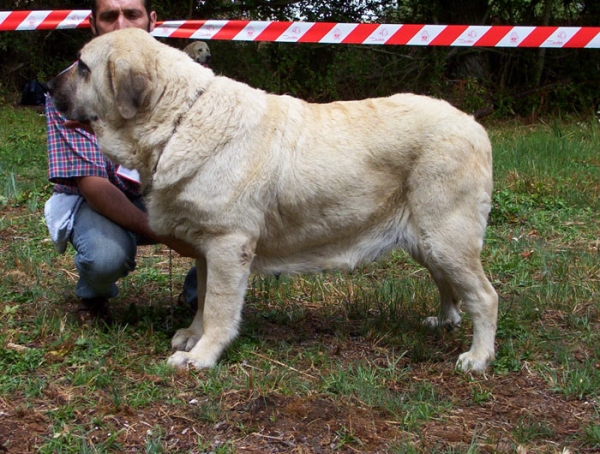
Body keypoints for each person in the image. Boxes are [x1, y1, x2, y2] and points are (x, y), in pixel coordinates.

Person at [44, 0, 197, 323]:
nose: (122, 26)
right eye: (110, 16)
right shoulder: (68, 90)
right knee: (105, 257)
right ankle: (93, 295)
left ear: (152, 21)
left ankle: (201, 299)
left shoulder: (186, 80)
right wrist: (165, 234)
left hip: (166, 192)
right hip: (105, 200)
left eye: (132, 14)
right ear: (93, 25)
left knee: (230, 219)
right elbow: (93, 186)